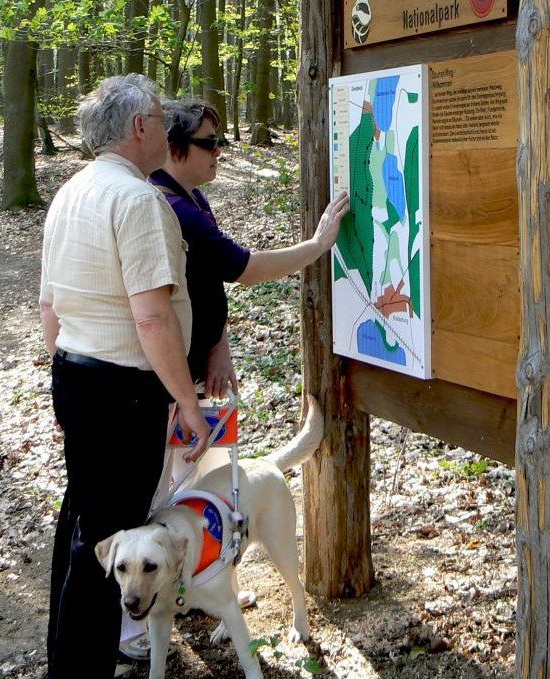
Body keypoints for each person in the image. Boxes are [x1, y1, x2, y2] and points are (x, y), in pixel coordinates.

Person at [38, 74, 210, 678]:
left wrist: (67, 381)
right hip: (121, 391)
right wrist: (186, 403)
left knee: (82, 521)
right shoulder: (138, 200)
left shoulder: (70, 192)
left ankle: (65, 659)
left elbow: (48, 306)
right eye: (161, 119)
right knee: (104, 537)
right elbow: (151, 313)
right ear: (139, 128)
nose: (167, 129)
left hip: (78, 376)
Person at [149, 99, 349, 397]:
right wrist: (318, 244)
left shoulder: (192, 198)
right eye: (208, 143)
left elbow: (210, 279)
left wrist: (219, 348)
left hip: (191, 363)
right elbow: (246, 269)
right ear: (173, 147)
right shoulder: (176, 210)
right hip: (168, 377)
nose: (218, 150)